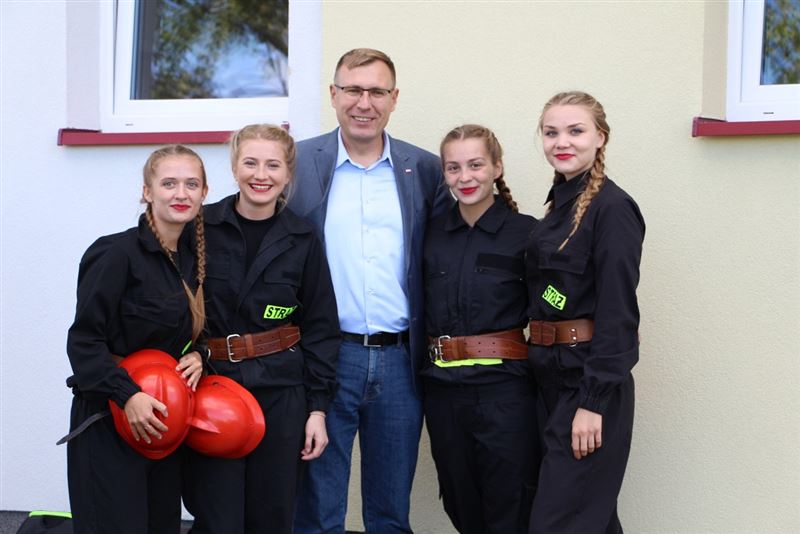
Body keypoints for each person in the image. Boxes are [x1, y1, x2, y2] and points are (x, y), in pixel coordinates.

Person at [289, 48, 451, 533]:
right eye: (353, 90)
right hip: (326, 358)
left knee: (390, 511)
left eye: (377, 91)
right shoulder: (298, 164)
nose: (365, 103)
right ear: (333, 94)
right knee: (317, 509)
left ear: (394, 98)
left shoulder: (424, 170)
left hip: (400, 361)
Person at [181, 124, 340, 534]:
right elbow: (174, 307)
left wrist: (317, 409)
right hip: (214, 388)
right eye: (250, 163)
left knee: (272, 516)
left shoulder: (303, 237)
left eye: (273, 165)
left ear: (288, 173)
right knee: (217, 517)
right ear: (235, 167)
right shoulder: (199, 228)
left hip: (281, 394)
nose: (261, 175)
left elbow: (321, 327)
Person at [65, 145, 208, 533]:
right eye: (169, 183)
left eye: (191, 184)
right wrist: (127, 395)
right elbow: (84, 341)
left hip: (164, 423)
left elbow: (193, 331)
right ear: (147, 191)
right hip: (110, 418)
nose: (181, 194)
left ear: (204, 193)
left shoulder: (195, 260)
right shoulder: (115, 253)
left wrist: (200, 355)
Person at [526, 91, 645, 534]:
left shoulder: (612, 210)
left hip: (587, 387)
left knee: (559, 522)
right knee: (591, 518)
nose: (562, 142)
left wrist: (592, 403)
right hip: (548, 379)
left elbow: (618, 312)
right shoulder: (558, 208)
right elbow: (547, 297)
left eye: (576, 131)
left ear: (600, 137)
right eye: (551, 132)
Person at [423, 124, 539, 534]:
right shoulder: (431, 236)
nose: (465, 177)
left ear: (497, 168)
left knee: (510, 503)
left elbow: (552, 306)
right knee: (460, 500)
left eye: (475, 165)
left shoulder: (527, 234)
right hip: (443, 395)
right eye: (453, 168)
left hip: (504, 393)